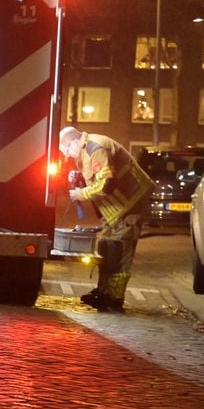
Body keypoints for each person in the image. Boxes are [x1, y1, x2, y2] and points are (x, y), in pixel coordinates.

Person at [58, 126, 154, 311]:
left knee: (119, 250)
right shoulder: (86, 151)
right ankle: (103, 292)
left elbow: (105, 185)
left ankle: (114, 299)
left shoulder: (96, 148)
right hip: (116, 210)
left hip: (129, 205)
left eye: (67, 150)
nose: (68, 156)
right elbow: (98, 175)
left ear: (75, 142)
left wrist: (81, 194)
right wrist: (79, 177)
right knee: (106, 247)